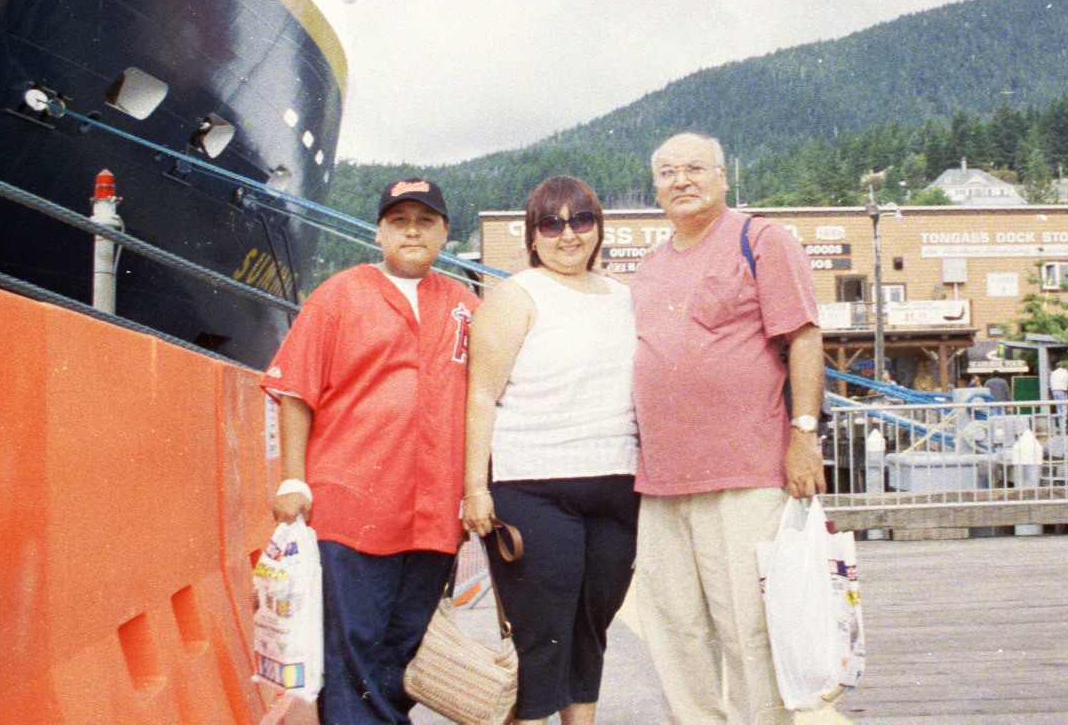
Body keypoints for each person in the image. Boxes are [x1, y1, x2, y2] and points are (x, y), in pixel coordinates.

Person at [262, 178, 478, 725]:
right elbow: (295, 391)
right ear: (379, 230)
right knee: (351, 652)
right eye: (399, 220)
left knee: (401, 655)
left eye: (424, 221)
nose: (412, 230)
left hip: (433, 513)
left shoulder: (464, 304)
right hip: (352, 508)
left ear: (444, 233)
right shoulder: (340, 293)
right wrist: (293, 480)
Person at [630, 132, 827, 725]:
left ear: (723, 177)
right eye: (667, 171)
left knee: (749, 629)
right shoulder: (649, 266)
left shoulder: (761, 239)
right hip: (661, 482)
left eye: (694, 168)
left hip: (745, 472)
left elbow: (805, 337)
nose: (681, 180)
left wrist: (804, 433)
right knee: (674, 633)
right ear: (656, 187)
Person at [461, 177, 640, 725]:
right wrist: (474, 488)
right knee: (544, 633)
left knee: (591, 628)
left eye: (581, 220)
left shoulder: (624, 296)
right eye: (551, 223)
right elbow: (482, 396)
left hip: (617, 486)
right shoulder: (516, 296)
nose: (568, 235)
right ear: (533, 236)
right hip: (534, 488)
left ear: (598, 227)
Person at [1048, 361, 1068, 429]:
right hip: (1062, 390)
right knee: (1064, 406)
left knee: (1058, 407)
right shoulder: (1066, 372)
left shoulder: (1053, 373)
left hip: (1054, 390)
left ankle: (1060, 422)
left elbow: (1050, 382)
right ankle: (1064, 423)